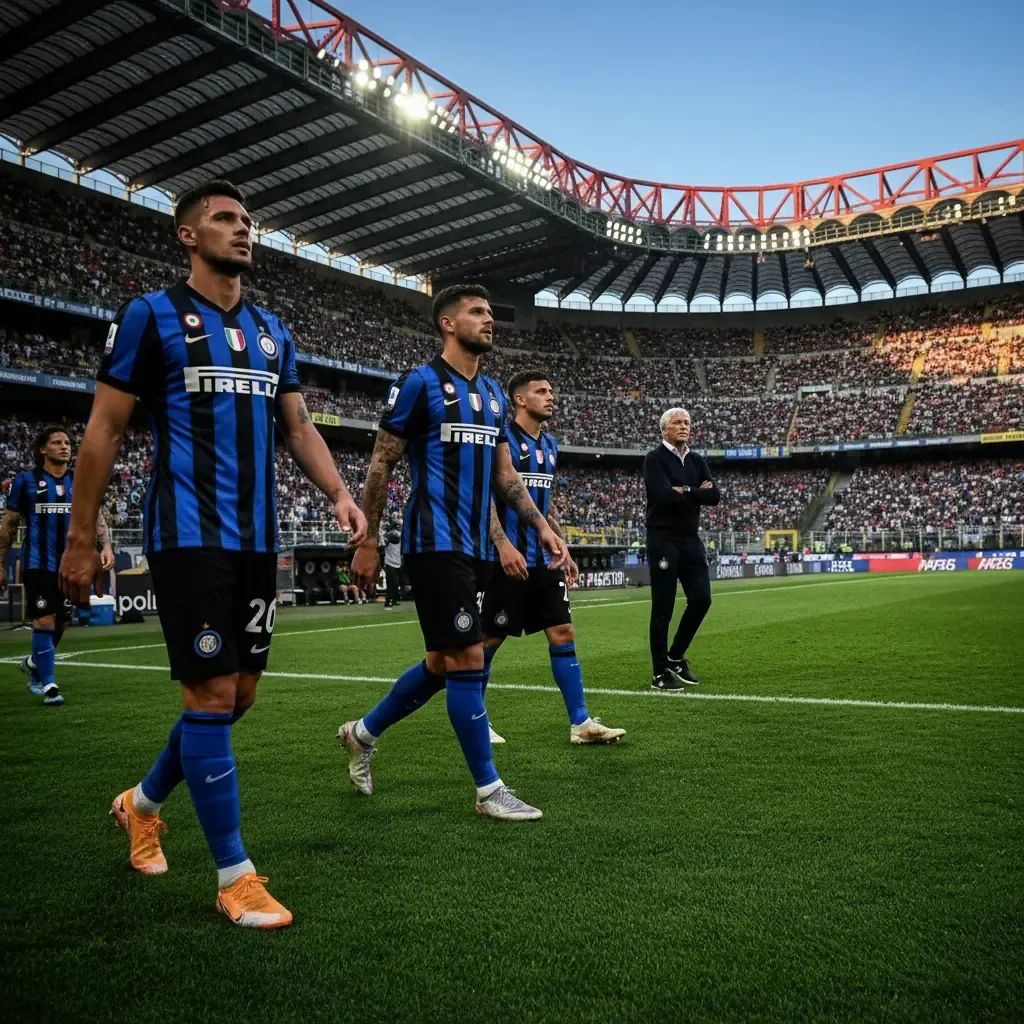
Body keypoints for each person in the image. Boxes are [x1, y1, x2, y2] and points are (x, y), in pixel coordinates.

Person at [59, 179, 367, 930]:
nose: (244, 230)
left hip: (258, 539)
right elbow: (103, 430)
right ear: (188, 236)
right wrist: (80, 532)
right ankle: (236, 875)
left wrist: (339, 492)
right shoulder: (150, 316)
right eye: (226, 220)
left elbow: (297, 428)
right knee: (209, 695)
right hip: (187, 533)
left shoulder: (270, 331)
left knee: (239, 697)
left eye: (249, 221)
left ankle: (142, 805)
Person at [341, 283, 568, 821]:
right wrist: (369, 538)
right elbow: (381, 463)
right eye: (477, 312)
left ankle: (362, 732)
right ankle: (490, 790)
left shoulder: (491, 394)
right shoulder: (419, 384)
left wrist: (540, 528)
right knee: (469, 658)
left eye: (491, 312)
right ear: (447, 323)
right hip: (433, 543)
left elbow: (505, 477)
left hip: (477, 548)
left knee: (442, 663)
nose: (489, 320)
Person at [482, 370, 625, 746]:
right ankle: (475, 717)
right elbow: (484, 498)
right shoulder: (502, 440)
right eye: (541, 391)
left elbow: (545, 504)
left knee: (563, 632)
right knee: (489, 640)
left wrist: (563, 546)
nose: (550, 397)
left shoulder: (550, 445)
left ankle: (581, 723)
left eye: (551, 391)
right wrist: (501, 544)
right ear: (519, 399)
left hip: (543, 561)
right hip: (507, 560)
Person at [0, 425, 114, 706]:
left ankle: (34, 663)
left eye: (67, 442)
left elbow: (96, 516)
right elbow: (9, 525)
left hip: (70, 566)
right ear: (42, 449)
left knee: (61, 622)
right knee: (44, 620)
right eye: (57, 443)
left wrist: (107, 546)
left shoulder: (81, 482)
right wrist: (0, 561)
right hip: (38, 563)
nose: (65, 446)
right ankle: (48, 684)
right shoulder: (25, 482)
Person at [644, 407, 719, 690]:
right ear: (664, 429)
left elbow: (714, 496)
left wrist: (684, 490)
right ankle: (659, 671)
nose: (684, 426)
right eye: (677, 422)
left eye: (687, 422)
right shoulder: (654, 459)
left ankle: (675, 656)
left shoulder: (697, 460)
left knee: (702, 599)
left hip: (690, 540)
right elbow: (662, 495)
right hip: (663, 540)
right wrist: (696, 492)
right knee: (663, 607)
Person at [381, 519, 403, 608]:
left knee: (396, 583)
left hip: (398, 561)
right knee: (391, 583)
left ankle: (394, 599)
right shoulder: (389, 535)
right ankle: (388, 601)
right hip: (389, 562)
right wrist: (386, 538)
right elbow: (383, 543)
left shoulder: (400, 535)